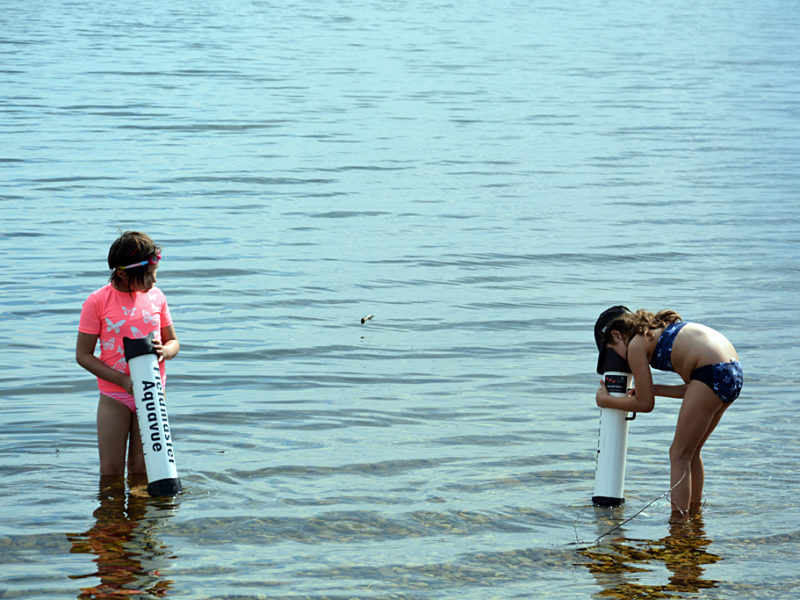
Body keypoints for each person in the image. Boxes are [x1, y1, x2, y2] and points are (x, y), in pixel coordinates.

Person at [594, 306, 743, 522]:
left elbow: (645, 404)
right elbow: (696, 389)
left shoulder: (635, 344)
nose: (618, 358)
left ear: (617, 334)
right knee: (691, 452)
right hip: (732, 369)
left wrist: (606, 400)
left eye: (610, 350)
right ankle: (694, 516)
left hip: (710, 370)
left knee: (678, 454)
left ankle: (678, 523)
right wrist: (655, 388)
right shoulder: (658, 330)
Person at [76, 232, 180, 478]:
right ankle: (110, 517)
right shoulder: (97, 302)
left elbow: (174, 342)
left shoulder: (157, 297)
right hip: (115, 395)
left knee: (142, 469)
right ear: (122, 273)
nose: (154, 281)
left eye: (155, 273)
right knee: (111, 470)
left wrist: (165, 351)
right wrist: (121, 380)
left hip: (153, 393)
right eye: (148, 276)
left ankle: (139, 515)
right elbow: (83, 355)